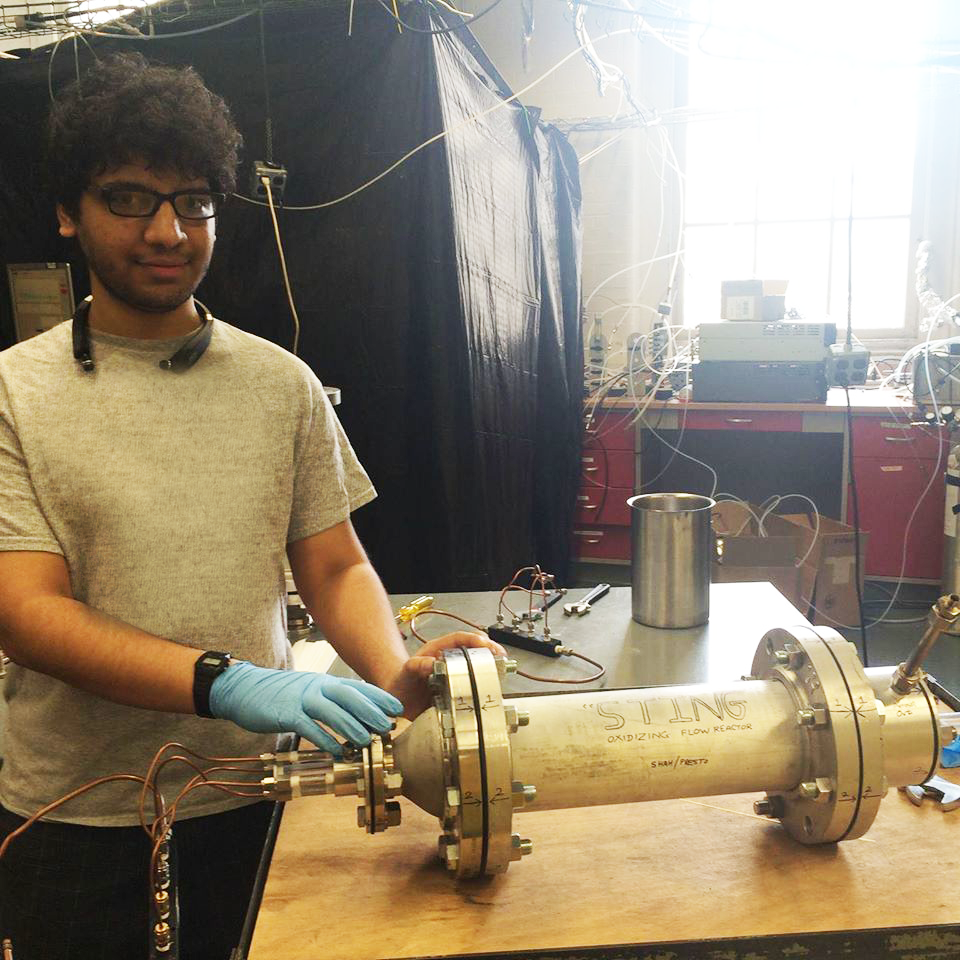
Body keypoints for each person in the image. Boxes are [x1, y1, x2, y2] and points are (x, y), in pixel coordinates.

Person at [0, 53, 503, 960]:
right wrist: (228, 680)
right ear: (69, 213)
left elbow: (336, 562)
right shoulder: (14, 394)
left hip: (255, 794)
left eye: (193, 202)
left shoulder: (281, 384)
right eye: (129, 199)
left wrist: (391, 673)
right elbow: (27, 614)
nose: (167, 230)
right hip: (77, 813)